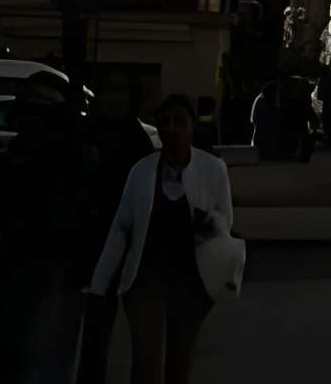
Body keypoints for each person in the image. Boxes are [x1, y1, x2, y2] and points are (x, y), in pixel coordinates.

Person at [0, 80, 94, 384]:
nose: (32, 127)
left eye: (41, 119)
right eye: (27, 117)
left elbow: (74, 247)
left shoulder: (71, 178)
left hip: (38, 322)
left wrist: (9, 242)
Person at [88, 95, 237, 384]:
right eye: (164, 122)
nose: (171, 128)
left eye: (179, 121)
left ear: (192, 126)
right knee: (146, 362)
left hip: (192, 280)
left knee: (180, 361)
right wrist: (99, 284)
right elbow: (121, 229)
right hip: (145, 278)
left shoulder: (212, 169)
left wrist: (208, 221)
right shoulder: (142, 171)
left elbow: (226, 222)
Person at [77, 86, 158, 384]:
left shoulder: (134, 139)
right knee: (95, 331)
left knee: (128, 334)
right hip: (96, 244)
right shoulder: (88, 135)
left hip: (124, 245)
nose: (115, 99)